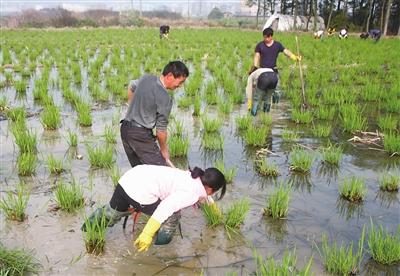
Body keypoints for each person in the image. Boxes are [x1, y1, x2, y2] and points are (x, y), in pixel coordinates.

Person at [82, 165, 227, 252]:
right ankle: (161, 251)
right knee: (172, 216)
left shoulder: (192, 175)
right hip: (142, 193)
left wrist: (215, 212)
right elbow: (164, 208)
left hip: (129, 179)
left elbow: (204, 194)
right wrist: (147, 233)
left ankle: (85, 231)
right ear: (211, 189)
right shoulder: (192, 193)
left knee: (111, 212)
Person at [122, 61, 189, 168]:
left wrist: (131, 107)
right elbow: (161, 131)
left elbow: (131, 86)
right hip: (140, 135)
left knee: (140, 172)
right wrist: (164, 150)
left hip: (125, 130)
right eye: (180, 82)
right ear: (170, 76)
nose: (179, 86)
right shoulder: (165, 98)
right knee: (161, 171)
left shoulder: (146, 78)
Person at [247, 27, 301, 110]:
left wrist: (294, 57)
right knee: (259, 89)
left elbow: (286, 51)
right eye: (264, 37)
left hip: (273, 71)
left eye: (267, 37)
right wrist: (255, 66)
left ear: (271, 36)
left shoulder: (277, 45)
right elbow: (257, 56)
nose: (265, 39)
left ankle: (273, 107)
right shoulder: (260, 45)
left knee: (275, 90)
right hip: (262, 71)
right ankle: (258, 105)